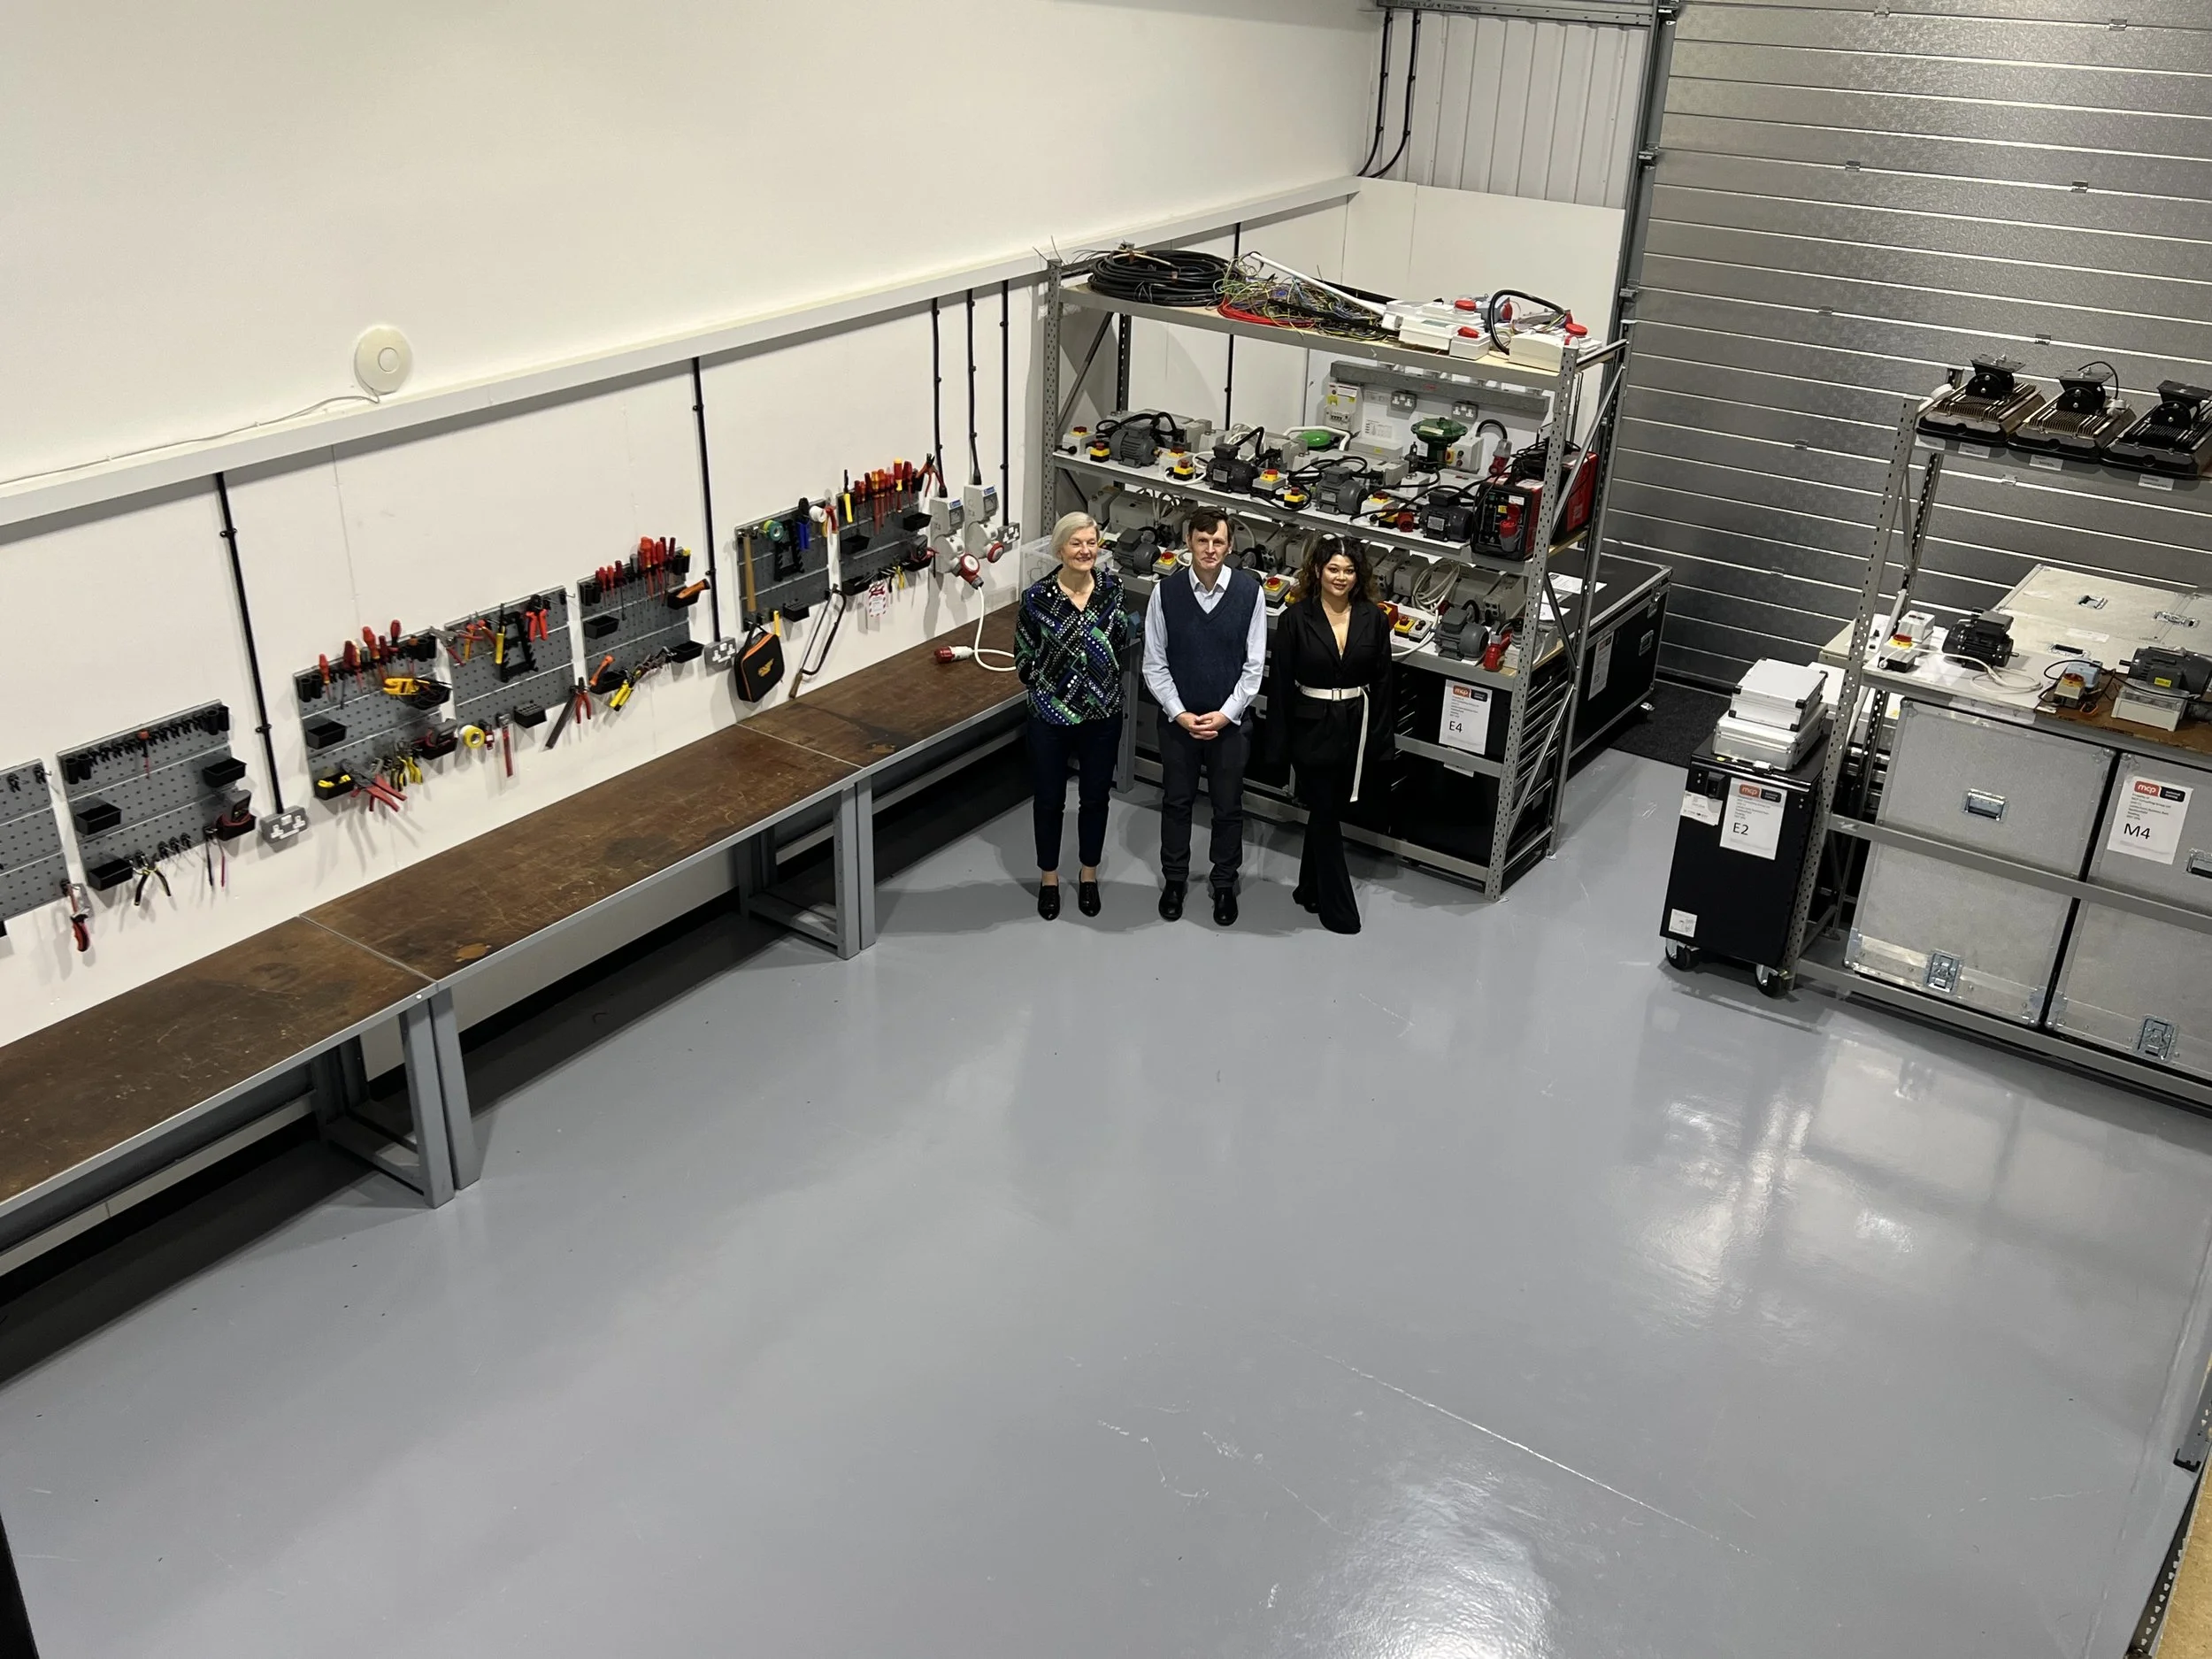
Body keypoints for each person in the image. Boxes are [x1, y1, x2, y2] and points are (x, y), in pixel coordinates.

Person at [1142, 507, 1266, 926]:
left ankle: (1224, 883)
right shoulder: (1165, 593)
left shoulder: (1250, 593)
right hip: (1178, 725)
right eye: (1202, 541)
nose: (1210, 549)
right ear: (1188, 543)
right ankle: (1175, 879)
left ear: (1230, 546)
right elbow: (1154, 664)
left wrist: (1226, 715)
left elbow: (1254, 667)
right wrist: (1179, 713)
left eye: (1218, 542)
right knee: (1176, 802)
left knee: (1228, 807)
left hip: (1229, 727)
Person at [1265, 536, 1393, 934]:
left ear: (1359, 575)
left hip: (1355, 727)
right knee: (1323, 810)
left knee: (1328, 810)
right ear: (1318, 570)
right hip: (1310, 728)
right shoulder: (1294, 619)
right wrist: (1277, 746)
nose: (1341, 577)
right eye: (1333, 569)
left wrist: (1380, 741)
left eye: (1349, 570)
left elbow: (1384, 683)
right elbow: (1280, 684)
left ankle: (1309, 888)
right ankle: (1339, 910)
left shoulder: (1374, 619)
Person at [1015, 511, 1136, 920]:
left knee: (1095, 798)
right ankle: (1049, 879)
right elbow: (1023, 657)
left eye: (1091, 542)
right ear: (1059, 549)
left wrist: (1100, 678)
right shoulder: (1037, 598)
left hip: (1102, 714)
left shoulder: (1112, 590)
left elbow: (1121, 639)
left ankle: (1088, 875)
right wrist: (1051, 683)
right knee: (1049, 800)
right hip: (1050, 717)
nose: (1085, 550)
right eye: (1076, 543)